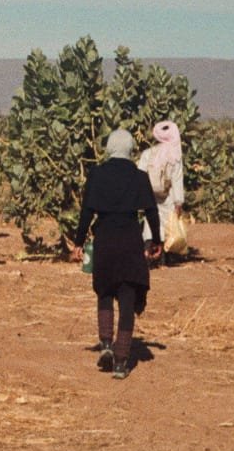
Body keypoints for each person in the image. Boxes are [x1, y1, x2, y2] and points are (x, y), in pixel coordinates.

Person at [71, 129, 161, 379]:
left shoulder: (97, 174)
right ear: (130, 149)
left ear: (110, 148)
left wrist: (78, 243)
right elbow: (152, 212)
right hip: (130, 241)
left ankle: (106, 344)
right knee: (128, 299)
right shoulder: (139, 177)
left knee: (105, 292)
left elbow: (87, 212)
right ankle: (121, 363)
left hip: (106, 241)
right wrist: (156, 240)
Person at [136, 120, 185, 261]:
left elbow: (140, 175)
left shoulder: (148, 153)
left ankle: (147, 253)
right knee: (166, 224)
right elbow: (177, 179)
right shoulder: (175, 156)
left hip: (149, 193)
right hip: (167, 195)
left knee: (149, 222)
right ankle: (162, 256)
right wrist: (178, 202)